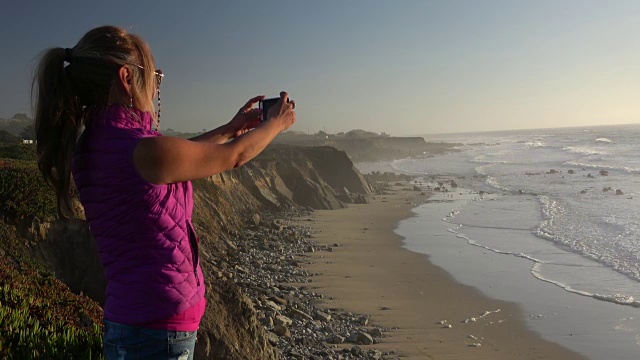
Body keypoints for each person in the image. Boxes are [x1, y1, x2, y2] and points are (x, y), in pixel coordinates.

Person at [32, 25, 296, 360]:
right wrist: (276, 123)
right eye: (153, 74)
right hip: (159, 330)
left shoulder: (97, 146)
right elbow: (235, 157)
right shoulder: (140, 151)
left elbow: (175, 160)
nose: (156, 84)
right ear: (127, 78)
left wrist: (230, 129)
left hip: (132, 320)